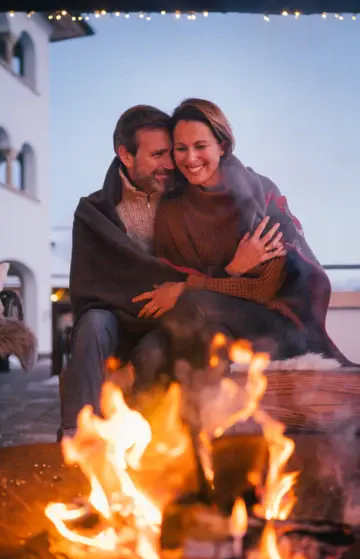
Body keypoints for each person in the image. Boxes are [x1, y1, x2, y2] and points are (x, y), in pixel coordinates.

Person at [60, 104, 285, 438]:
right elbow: (91, 284)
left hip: (172, 313)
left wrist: (228, 270)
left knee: (154, 352)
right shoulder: (95, 214)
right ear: (125, 154)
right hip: (115, 315)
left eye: (172, 152)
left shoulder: (187, 202)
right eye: (158, 154)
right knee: (91, 325)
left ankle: (151, 456)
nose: (171, 164)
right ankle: (78, 438)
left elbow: (196, 272)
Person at [133, 98, 352, 371]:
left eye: (200, 146)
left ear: (221, 146)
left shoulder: (258, 194)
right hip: (208, 321)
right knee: (151, 349)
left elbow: (262, 289)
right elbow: (167, 282)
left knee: (192, 304)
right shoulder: (171, 210)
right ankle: (184, 413)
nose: (190, 158)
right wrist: (232, 270)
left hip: (279, 326)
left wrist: (190, 285)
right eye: (181, 148)